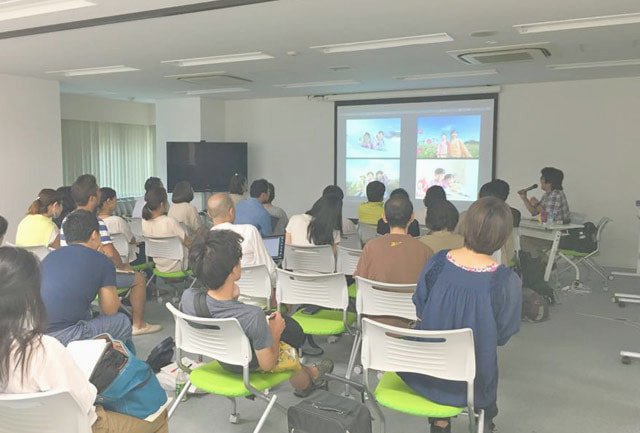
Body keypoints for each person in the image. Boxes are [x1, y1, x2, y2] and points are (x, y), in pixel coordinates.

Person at [0, 246, 169, 433]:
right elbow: (85, 399)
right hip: (81, 427)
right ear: (29, 297)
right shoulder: (44, 349)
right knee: (159, 417)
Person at [401, 197, 521, 433]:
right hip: (473, 381)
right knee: (486, 360)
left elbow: (421, 308)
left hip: (426, 372)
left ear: (465, 225)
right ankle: (484, 420)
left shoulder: (438, 262)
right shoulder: (506, 281)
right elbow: (503, 334)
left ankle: (440, 422)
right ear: (503, 237)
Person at [180, 230, 333, 396]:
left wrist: (232, 297)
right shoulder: (252, 316)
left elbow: (218, 309)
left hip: (222, 357)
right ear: (233, 270)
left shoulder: (188, 298)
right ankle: (308, 380)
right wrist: (275, 332)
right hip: (246, 367)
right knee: (290, 339)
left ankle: (311, 373)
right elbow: (267, 364)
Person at [60, 175, 160, 336]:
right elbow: (110, 253)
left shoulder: (66, 221)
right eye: (98, 191)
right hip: (94, 276)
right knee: (139, 278)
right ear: (92, 198)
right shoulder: (95, 222)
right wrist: (123, 266)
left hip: (72, 276)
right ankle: (138, 324)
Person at [41, 210, 133, 346]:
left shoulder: (49, 257)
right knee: (121, 321)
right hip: (65, 334)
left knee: (86, 314)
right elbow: (110, 310)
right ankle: (124, 359)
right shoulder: (101, 260)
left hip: (37, 333)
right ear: (94, 235)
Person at [355, 195, 433, 284]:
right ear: (412, 218)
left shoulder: (370, 247)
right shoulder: (426, 251)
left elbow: (360, 280)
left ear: (384, 217)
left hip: (376, 293)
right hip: (411, 294)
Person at [208, 193, 277, 287]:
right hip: (254, 293)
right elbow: (270, 270)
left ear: (209, 214)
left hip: (221, 293)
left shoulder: (206, 239)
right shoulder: (249, 231)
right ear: (231, 212)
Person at [457, 180, 518, 265]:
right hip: (496, 265)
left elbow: (456, 240)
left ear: (480, 198)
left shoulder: (465, 216)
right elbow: (510, 252)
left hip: (465, 263)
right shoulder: (504, 219)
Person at [141, 186, 190, 273]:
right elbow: (188, 243)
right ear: (162, 204)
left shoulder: (144, 221)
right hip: (179, 266)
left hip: (159, 266)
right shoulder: (169, 222)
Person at [97, 187, 138, 264]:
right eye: (115, 200)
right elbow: (131, 240)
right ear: (108, 201)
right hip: (124, 260)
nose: (116, 202)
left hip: (103, 260)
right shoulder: (117, 221)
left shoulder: (93, 222)